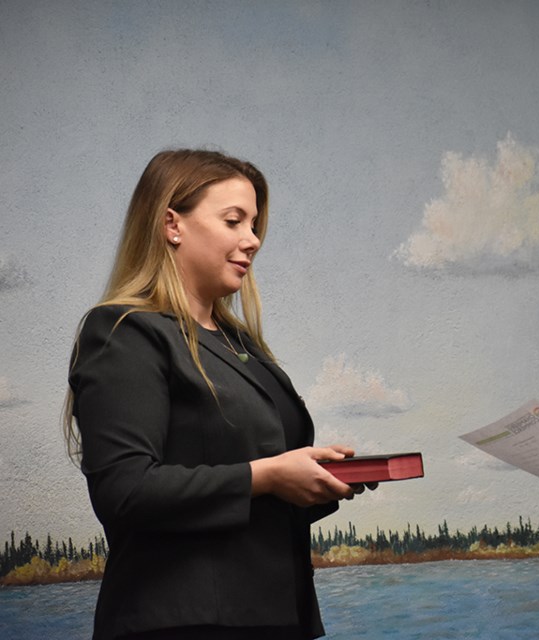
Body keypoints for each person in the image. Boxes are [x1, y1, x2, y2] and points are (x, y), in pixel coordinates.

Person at [64, 149, 372, 640]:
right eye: (234, 221)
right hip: (183, 625)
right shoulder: (124, 332)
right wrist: (269, 475)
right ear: (172, 224)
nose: (252, 240)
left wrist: (316, 481)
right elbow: (125, 491)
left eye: (254, 225)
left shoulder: (241, 344)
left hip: (279, 620)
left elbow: (251, 492)